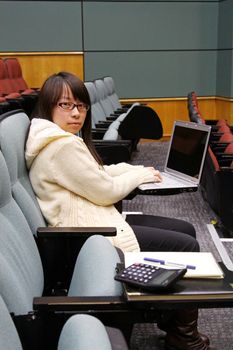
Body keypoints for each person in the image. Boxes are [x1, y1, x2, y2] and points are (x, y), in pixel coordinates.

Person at [25, 72, 216, 350]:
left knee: (185, 230)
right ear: (47, 106)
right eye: (66, 105)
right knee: (186, 244)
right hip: (93, 236)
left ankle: (173, 321)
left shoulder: (56, 140)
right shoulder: (61, 146)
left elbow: (97, 173)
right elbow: (105, 190)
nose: (76, 113)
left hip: (92, 223)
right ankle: (185, 338)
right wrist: (139, 178)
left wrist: (138, 170)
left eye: (81, 105)